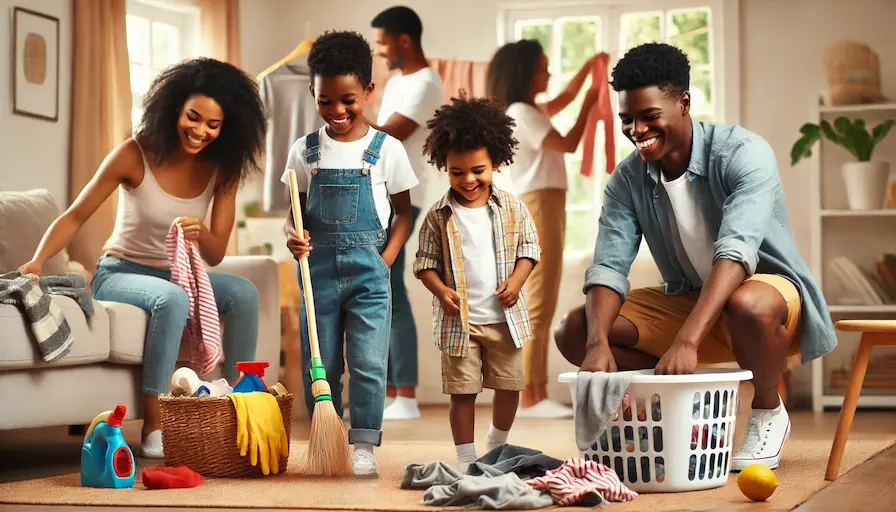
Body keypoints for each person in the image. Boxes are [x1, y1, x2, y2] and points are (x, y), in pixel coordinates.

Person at [553, 43, 837, 471]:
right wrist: (596, 346)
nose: (637, 129)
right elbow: (610, 264)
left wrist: (687, 340)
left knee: (747, 303)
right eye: (627, 119)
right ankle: (673, 412)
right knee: (575, 328)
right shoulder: (626, 179)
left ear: (683, 103)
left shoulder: (743, 152)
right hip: (692, 300)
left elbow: (737, 251)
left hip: (767, 303)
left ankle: (766, 410)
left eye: (650, 116)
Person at [19, 58, 267, 458]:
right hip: (121, 272)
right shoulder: (135, 154)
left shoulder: (224, 168)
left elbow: (216, 253)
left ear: (227, 128)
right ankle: (155, 427)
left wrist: (201, 233)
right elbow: (76, 215)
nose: (200, 131)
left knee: (244, 293)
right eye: (193, 117)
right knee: (171, 299)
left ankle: (240, 407)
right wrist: (36, 260)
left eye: (213, 125)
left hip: (181, 274)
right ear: (174, 108)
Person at [282, 30, 418, 477]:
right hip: (315, 270)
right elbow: (295, 214)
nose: (337, 111)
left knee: (368, 362)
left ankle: (363, 444)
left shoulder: (387, 150)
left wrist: (386, 259)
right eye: (326, 102)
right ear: (313, 94)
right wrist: (292, 238)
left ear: (368, 92)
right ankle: (328, 439)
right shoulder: (305, 151)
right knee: (319, 363)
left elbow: (404, 214)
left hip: (369, 272)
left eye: (348, 100)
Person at [414, 93, 540, 472]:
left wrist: (516, 283)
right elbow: (424, 264)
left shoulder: (513, 208)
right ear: (445, 168)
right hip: (460, 325)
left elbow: (530, 249)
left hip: (504, 320)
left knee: (509, 385)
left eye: (478, 171)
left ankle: (496, 444)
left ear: (496, 164)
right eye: (457, 173)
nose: (468, 180)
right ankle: (466, 458)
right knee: (462, 393)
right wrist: (441, 290)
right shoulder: (438, 215)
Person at [486, 39, 601, 419]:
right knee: (537, 303)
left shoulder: (530, 109)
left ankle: (534, 391)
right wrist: (592, 100)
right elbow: (568, 143)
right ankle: (530, 396)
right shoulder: (522, 111)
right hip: (538, 204)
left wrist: (589, 68)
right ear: (524, 73)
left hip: (547, 203)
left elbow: (565, 96)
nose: (549, 73)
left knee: (542, 300)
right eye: (543, 67)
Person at [368, 5, 446, 420]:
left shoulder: (427, 84)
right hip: (383, 195)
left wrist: (340, 116)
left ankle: (407, 396)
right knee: (385, 290)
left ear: (403, 40)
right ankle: (397, 392)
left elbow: (387, 137)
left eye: (382, 43)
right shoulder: (399, 81)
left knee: (391, 289)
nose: (380, 52)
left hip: (404, 198)